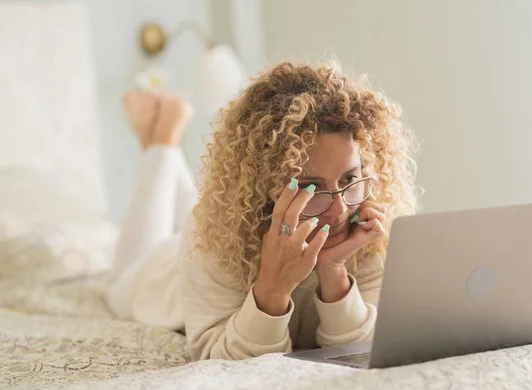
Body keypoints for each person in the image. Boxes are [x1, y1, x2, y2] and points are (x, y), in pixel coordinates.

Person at [105, 61, 418, 362]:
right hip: (161, 272)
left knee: (202, 205)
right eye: (311, 186)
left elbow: (366, 349)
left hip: (209, 224)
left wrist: (333, 269)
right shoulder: (212, 234)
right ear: (265, 186)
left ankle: (163, 143)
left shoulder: (365, 220)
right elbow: (217, 359)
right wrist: (273, 286)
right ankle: (161, 144)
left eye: (349, 178)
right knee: (120, 280)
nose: (339, 209)